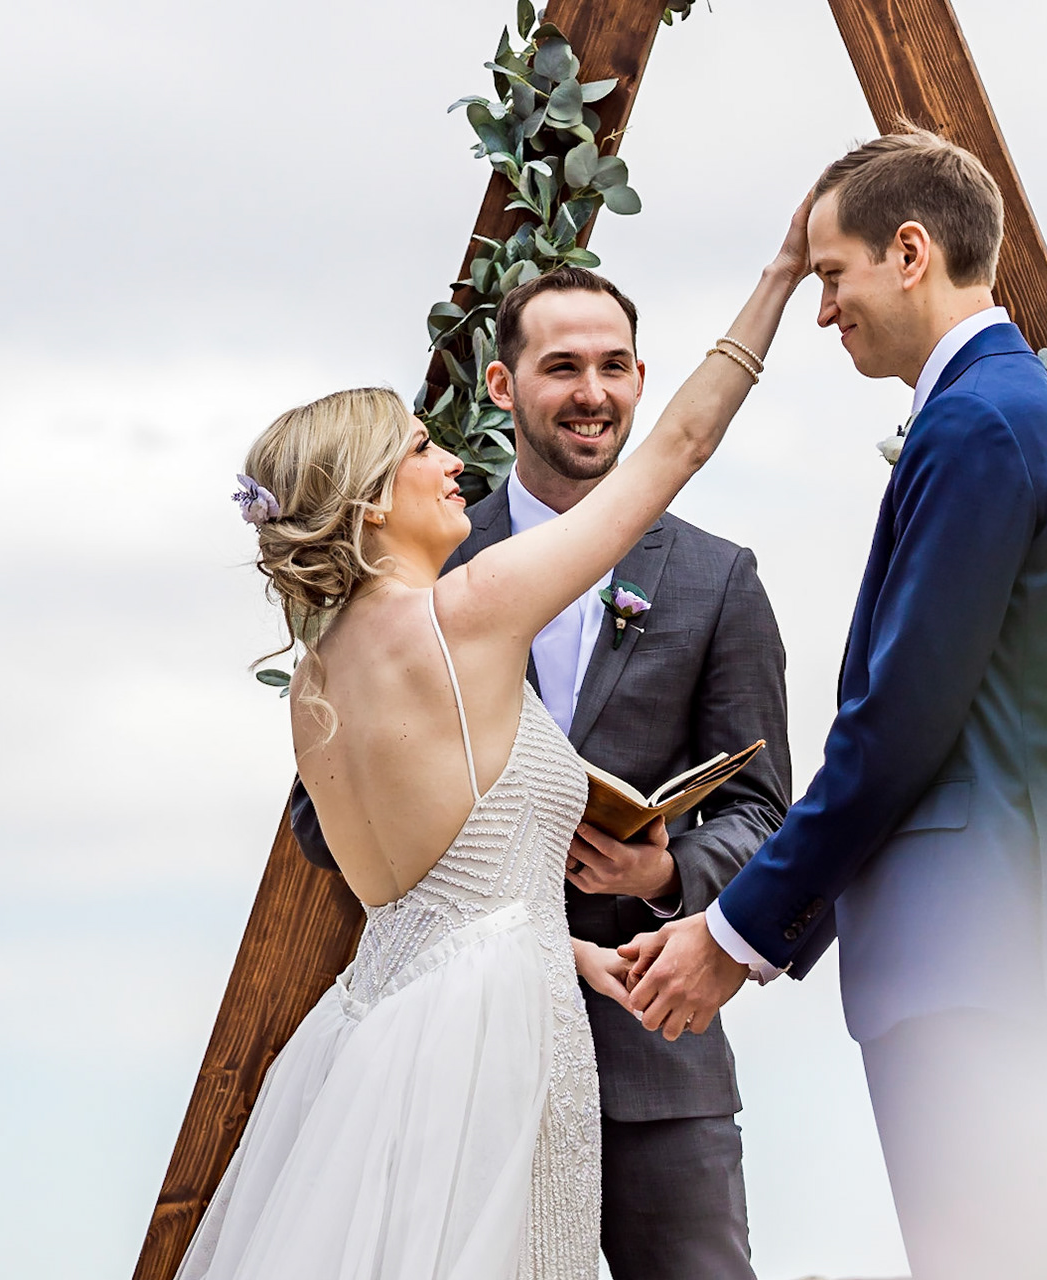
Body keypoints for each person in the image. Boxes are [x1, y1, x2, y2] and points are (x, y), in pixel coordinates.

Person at [173, 206, 810, 1280]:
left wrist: (583, 947)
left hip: (387, 1044)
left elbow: (432, 904)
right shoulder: (469, 610)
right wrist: (782, 273)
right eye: (422, 450)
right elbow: (681, 449)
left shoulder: (316, 683)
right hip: (500, 1052)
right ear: (372, 504)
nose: (449, 461)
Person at [622, 130, 1047, 1279]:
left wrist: (735, 931)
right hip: (975, 943)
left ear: (911, 251)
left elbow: (902, 722)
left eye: (832, 276)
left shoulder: (977, 422)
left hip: (963, 947)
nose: (825, 310)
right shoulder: (997, 406)